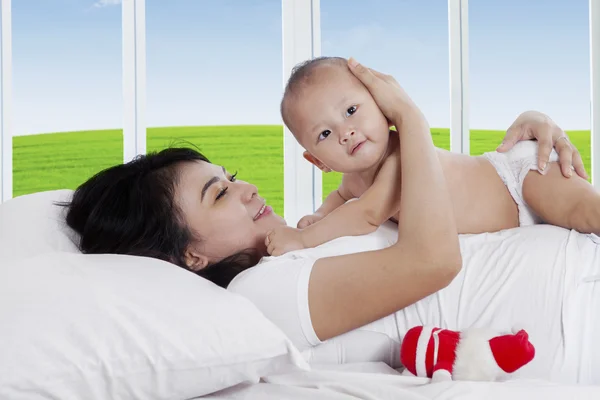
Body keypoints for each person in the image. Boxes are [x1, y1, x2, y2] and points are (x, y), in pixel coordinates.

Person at [62, 60, 597, 384]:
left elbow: (379, 211)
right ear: (190, 255)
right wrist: (409, 117)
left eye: (231, 175)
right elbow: (432, 258)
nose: (247, 188)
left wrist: (533, 127)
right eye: (220, 192)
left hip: (532, 199)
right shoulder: (260, 291)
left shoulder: (297, 244)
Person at [267, 56, 594, 257]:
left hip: (517, 178)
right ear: (318, 161)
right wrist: (321, 215)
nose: (345, 132)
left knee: (585, 212)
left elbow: (367, 214)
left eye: (351, 110)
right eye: (325, 134)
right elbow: (341, 198)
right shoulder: (352, 182)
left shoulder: (402, 155)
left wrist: (304, 238)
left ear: (383, 105)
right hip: (512, 216)